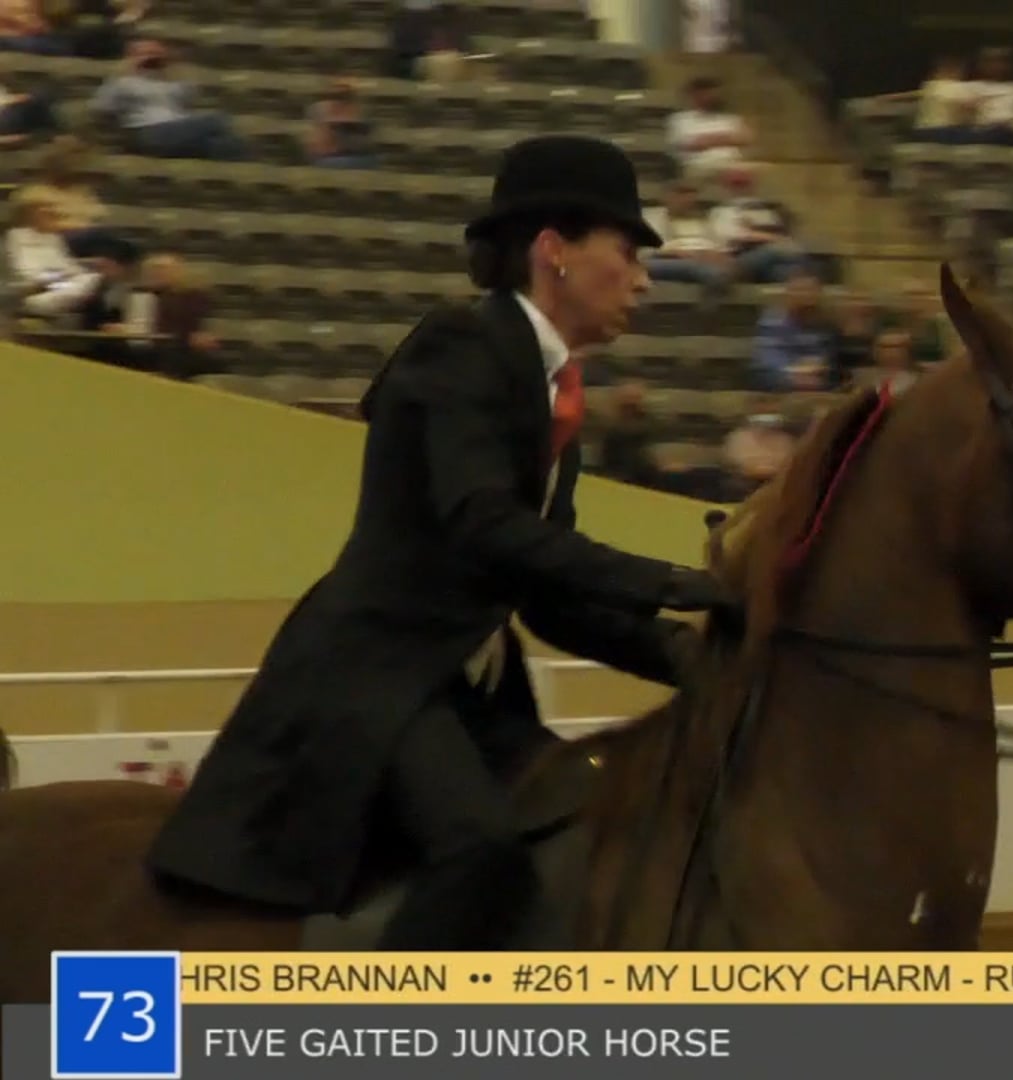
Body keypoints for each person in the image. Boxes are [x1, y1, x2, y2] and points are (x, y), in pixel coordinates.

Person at [144, 135, 728, 951]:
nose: (642, 277)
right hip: (378, 675)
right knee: (478, 849)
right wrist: (673, 580)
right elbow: (485, 526)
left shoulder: (554, 391)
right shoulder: (461, 346)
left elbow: (549, 596)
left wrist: (695, 658)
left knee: (586, 819)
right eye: (627, 252)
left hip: (463, 695)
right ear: (553, 252)